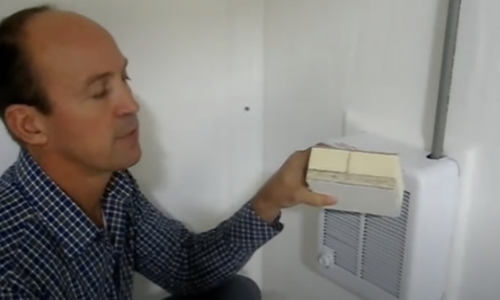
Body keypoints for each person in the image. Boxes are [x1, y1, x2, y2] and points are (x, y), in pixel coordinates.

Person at [0, 5, 337, 300]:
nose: (131, 104)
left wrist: (270, 200)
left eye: (125, 77)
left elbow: (185, 267)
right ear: (30, 125)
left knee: (237, 290)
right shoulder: (12, 271)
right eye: (100, 91)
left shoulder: (114, 186)